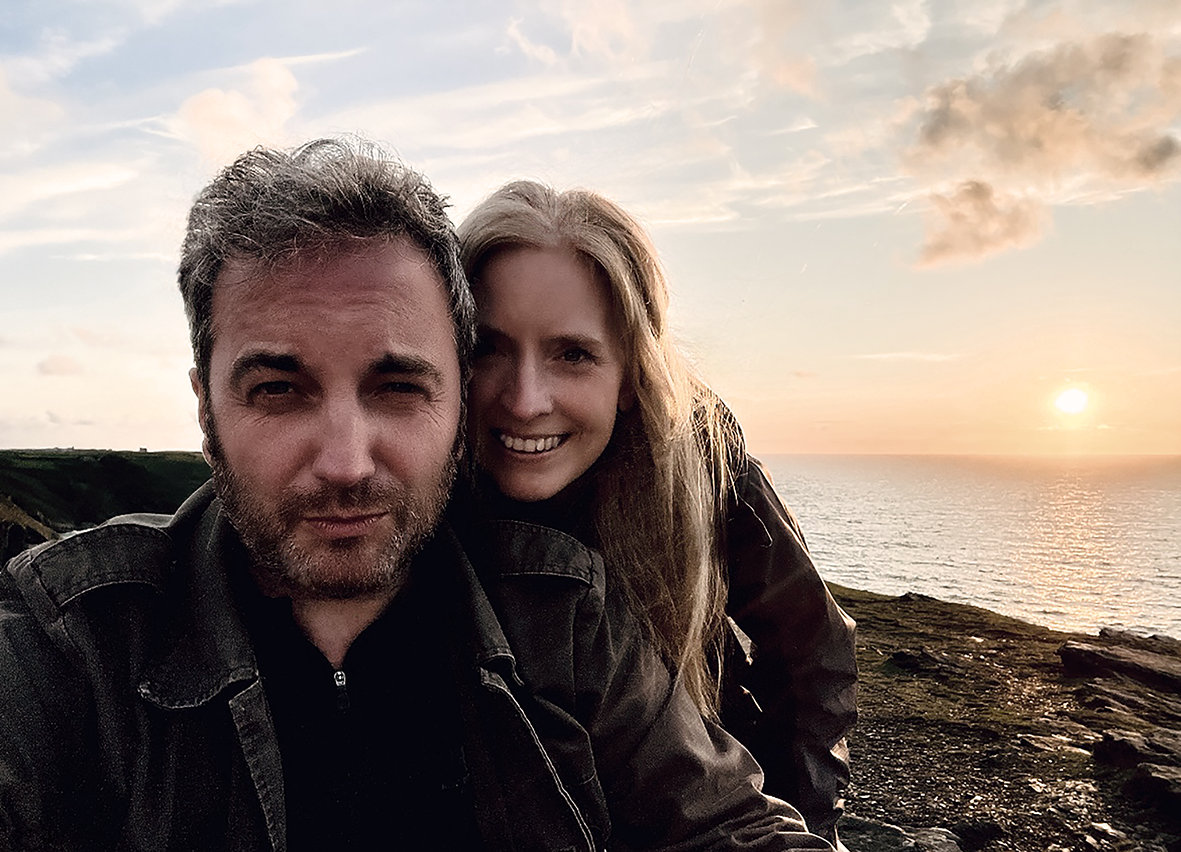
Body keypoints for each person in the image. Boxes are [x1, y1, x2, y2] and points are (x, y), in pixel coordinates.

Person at [0, 139, 836, 850]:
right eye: (278, 389)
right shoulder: (74, 641)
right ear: (203, 403)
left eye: (397, 386)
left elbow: (741, 798)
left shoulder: (565, 605)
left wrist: (814, 816)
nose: (345, 463)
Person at [457, 180, 859, 848]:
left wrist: (799, 818)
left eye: (573, 354)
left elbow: (811, 644)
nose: (525, 401)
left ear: (630, 375)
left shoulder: (696, 456)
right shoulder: (412, 498)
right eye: (486, 347)